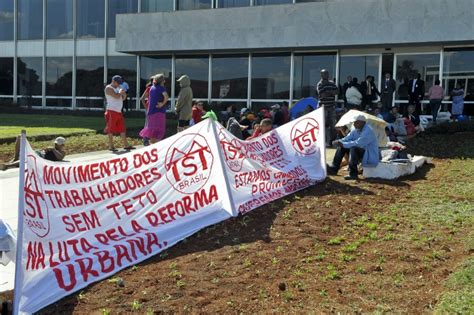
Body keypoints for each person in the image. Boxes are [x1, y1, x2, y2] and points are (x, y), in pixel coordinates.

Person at [327, 115, 380, 180]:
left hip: (368, 154)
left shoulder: (368, 131)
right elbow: (348, 138)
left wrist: (343, 144)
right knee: (341, 147)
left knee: (353, 148)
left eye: (356, 122)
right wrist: (338, 141)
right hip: (360, 151)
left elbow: (358, 143)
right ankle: (334, 169)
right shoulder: (356, 129)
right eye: (354, 122)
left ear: (362, 122)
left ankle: (353, 174)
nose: (354, 124)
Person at [104, 75, 135, 151]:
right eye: (118, 83)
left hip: (118, 111)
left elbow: (123, 98)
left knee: (122, 128)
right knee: (111, 129)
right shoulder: (108, 88)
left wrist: (124, 94)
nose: (119, 84)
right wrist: (120, 93)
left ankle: (126, 145)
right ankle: (111, 146)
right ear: (113, 81)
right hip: (111, 111)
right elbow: (116, 96)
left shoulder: (118, 88)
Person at [0, 136, 66, 171]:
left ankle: (7, 165)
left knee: (27, 159)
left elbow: (60, 158)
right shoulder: (51, 148)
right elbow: (42, 151)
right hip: (37, 153)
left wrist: (53, 149)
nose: (56, 145)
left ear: (63, 145)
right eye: (56, 144)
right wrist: (46, 149)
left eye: (58, 144)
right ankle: (15, 158)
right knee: (20, 137)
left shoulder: (62, 152)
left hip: (38, 158)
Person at [139, 74, 169, 144]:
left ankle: (153, 147)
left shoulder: (152, 88)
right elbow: (166, 96)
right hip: (159, 112)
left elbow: (143, 99)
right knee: (158, 132)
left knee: (152, 132)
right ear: (162, 81)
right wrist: (162, 103)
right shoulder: (161, 88)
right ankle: (158, 149)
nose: (164, 81)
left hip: (151, 112)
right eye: (164, 80)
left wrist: (147, 107)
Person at [316, 69, 339, 146]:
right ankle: (324, 141)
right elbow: (322, 95)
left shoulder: (332, 83)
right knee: (323, 125)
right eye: (324, 74)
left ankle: (332, 141)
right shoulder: (320, 84)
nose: (326, 75)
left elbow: (337, 92)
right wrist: (331, 92)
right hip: (323, 107)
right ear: (321, 75)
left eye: (327, 73)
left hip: (331, 107)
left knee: (333, 125)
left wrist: (328, 92)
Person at [140, 76, 154, 146]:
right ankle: (145, 139)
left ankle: (151, 139)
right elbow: (142, 99)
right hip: (149, 109)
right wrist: (146, 107)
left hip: (155, 110)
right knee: (148, 124)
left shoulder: (158, 89)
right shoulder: (149, 89)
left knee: (153, 124)